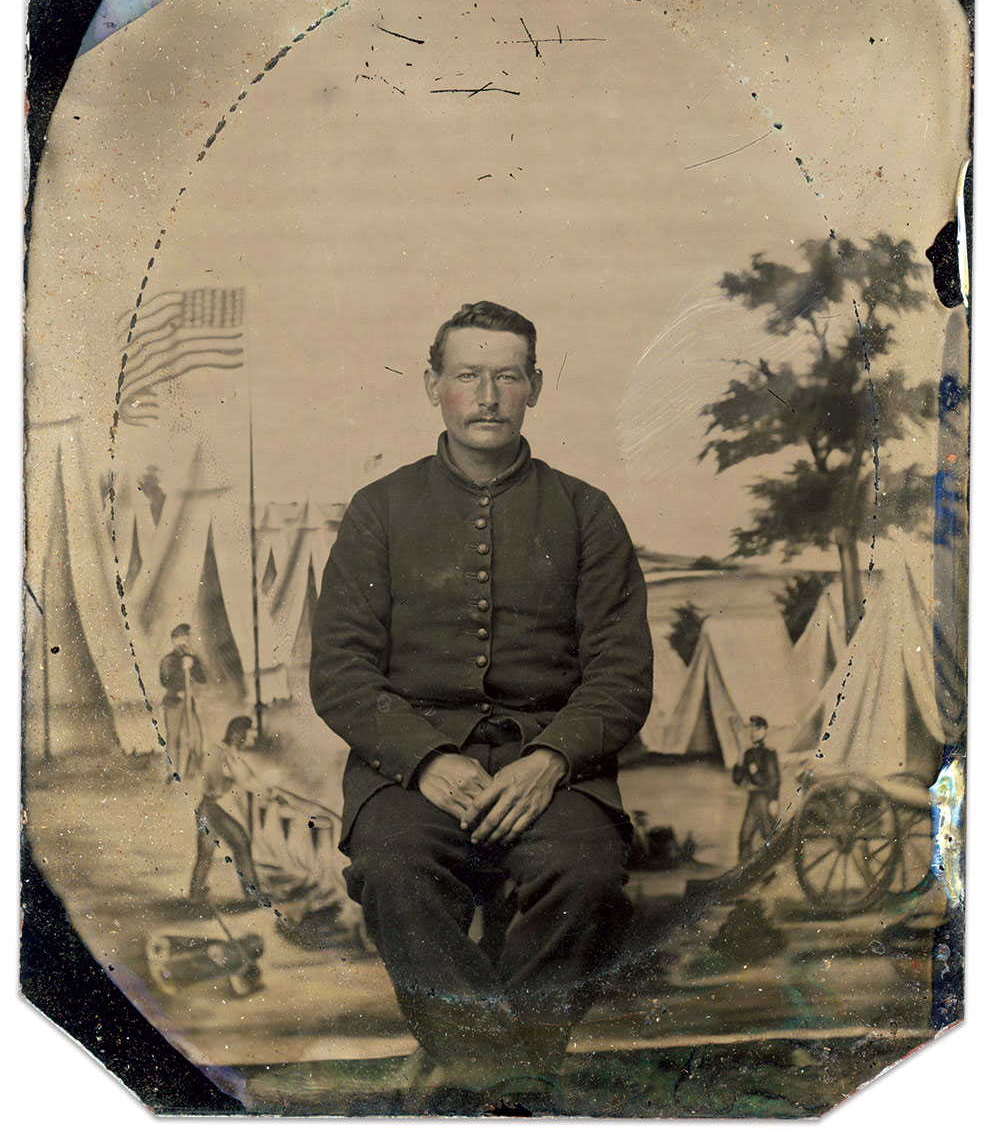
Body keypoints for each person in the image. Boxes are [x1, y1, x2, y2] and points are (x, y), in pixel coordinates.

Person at [310, 300, 654, 1106]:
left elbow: (622, 672)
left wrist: (552, 758)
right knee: (395, 869)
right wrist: (424, 758)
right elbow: (340, 669)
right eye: (469, 376)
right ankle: (513, 1087)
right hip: (411, 767)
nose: (489, 395)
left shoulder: (585, 511)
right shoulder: (379, 509)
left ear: (536, 386)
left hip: (553, 764)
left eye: (508, 376)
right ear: (434, 386)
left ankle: (485, 1086)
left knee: (585, 870)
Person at [188, 715, 263, 903]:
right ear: (235, 734)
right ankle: (251, 892)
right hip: (215, 808)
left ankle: (195, 894)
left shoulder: (214, 749)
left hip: (205, 806)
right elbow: (246, 780)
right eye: (243, 734)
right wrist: (270, 793)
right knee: (241, 843)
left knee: (206, 851)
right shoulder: (229, 755)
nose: (245, 739)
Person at [159, 623, 206, 781]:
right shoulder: (168, 660)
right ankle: (171, 771)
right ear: (174, 640)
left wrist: (192, 665)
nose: (185, 640)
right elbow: (165, 680)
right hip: (173, 703)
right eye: (181, 637)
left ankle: (191, 771)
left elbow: (202, 679)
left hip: (188, 702)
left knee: (196, 736)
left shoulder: (192, 658)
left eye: (187, 637)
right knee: (173, 738)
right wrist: (182, 667)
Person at [732, 716, 781, 862]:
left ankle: (769, 870)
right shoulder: (748, 754)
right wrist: (739, 761)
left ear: (765, 731)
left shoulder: (769, 753)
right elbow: (737, 780)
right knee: (745, 837)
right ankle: (742, 872)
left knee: (768, 835)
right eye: (752, 729)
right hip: (753, 799)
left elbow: (774, 780)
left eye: (758, 729)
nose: (754, 732)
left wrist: (774, 800)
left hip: (764, 798)